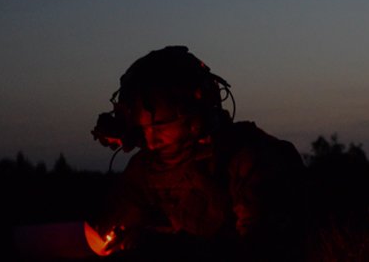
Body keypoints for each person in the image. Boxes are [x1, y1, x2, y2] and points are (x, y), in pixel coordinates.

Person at [84, 46, 305, 262]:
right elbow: (112, 224)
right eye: (142, 130)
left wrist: (166, 248)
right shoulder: (144, 170)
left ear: (194, 116)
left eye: (160, 127)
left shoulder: (252, 158)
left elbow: (264, 249)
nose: (151, 142)